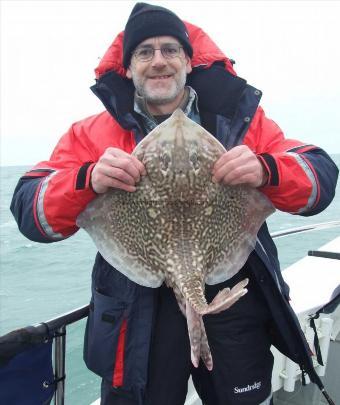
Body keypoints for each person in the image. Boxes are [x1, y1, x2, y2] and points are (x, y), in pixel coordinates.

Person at [10, 3, 338, 405]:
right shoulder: (91, 134)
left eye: (170, 50)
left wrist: (268, 169)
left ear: (188, 60)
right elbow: (29, 210)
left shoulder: (241, 122)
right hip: (135, 317)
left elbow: (319, 176)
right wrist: (86, 179)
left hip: (232, 299)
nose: (158, 61)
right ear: (128, 68)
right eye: (144, 52)